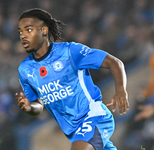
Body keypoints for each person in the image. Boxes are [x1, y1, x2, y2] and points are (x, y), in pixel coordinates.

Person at [15, 8, 129, 150]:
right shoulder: (25, 70)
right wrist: (29, 107)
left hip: (94, 116)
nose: (23, 36)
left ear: (43, 30)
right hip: (74, 132)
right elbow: (38, 107)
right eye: (20, 32)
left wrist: (120, 90)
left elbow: (114, 62)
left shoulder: (70, 52)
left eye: (28, 30)